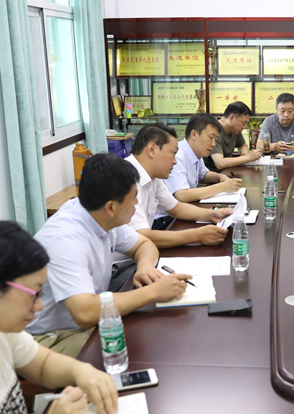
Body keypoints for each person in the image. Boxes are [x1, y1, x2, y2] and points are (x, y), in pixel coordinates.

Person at [26, 154, 190, 358]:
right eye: (133, 197)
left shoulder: (99, 214)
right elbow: (85, 312)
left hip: (85, 318)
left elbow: (144, 244)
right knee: (135, 344)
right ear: (111, 207)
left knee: (147, 332)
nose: (137, 202)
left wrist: (145, 267)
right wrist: (154, 292)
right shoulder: (65, 240)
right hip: (50, 336)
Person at [0, 221, 118, 414]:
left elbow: (43, 365)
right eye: (33, 295)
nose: (40, 306)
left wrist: (81, 371)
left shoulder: (6, 331)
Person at [121, 123, 233, 253]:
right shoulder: (124, 177)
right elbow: (141, 236)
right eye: (173, 153)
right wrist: (197, 235)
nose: (175, 161)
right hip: (124, 262)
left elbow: (176, 208)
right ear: (152, 150)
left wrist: (212, 215)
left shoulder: (153, 177)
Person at [162, 113, 243, 209]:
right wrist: (222, 187)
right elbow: (181, 195)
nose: (213, 144)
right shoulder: (178, 156)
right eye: (211, 137)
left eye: (215, 139)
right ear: (194, 134)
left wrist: (220, 177)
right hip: (167, 215)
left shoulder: (196, 152)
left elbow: (204, 174)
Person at [204, 101, 263, 172]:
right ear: (231, 118)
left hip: (227, 172)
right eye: (243, 123)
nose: (244, 127)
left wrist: (244, 153)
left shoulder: (234, 130)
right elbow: (220, 163)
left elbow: (243, 146)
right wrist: (249, 157)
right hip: (211, 176)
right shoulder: (214, 131)